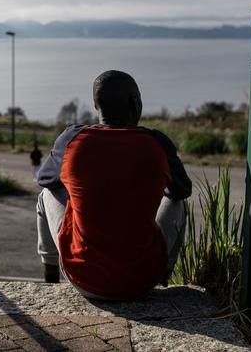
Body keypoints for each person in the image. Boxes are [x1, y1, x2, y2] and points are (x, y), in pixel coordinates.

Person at [36, 70, 191, 299]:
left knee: (46, 195)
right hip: (142, 281)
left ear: (96, 105)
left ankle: (50, 278)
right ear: (134, 103)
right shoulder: (156, 143)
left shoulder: (71, 140)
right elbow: (181, 190)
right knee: (178, 203)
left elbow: (45, 179)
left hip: (83, 278)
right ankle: (164, 277)